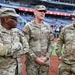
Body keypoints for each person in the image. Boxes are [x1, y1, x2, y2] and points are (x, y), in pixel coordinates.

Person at [23, 5, 54, 75]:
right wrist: (35, 58)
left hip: (44, 62)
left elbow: (51, 43)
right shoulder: (28, 26)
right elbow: (25, 44)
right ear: (35, 12)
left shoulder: (48, 27)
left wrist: (46, 57)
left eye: (44, 11)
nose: (42, 13)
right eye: (40, 11)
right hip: (32, 63)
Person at [0, 7, 29, 75]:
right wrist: (18, 45)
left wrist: (9, 53)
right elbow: (1, 51)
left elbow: (26, 47)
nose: (17, 21)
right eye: (14, 18)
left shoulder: (18, 32)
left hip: (18, 70)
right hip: (4, 71)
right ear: (6, 19)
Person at [56, 10, 75, 75]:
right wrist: (59, 53)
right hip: (65, 62)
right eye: (73, 16)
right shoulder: (66, 29)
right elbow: (59, 41)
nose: (73, 18)